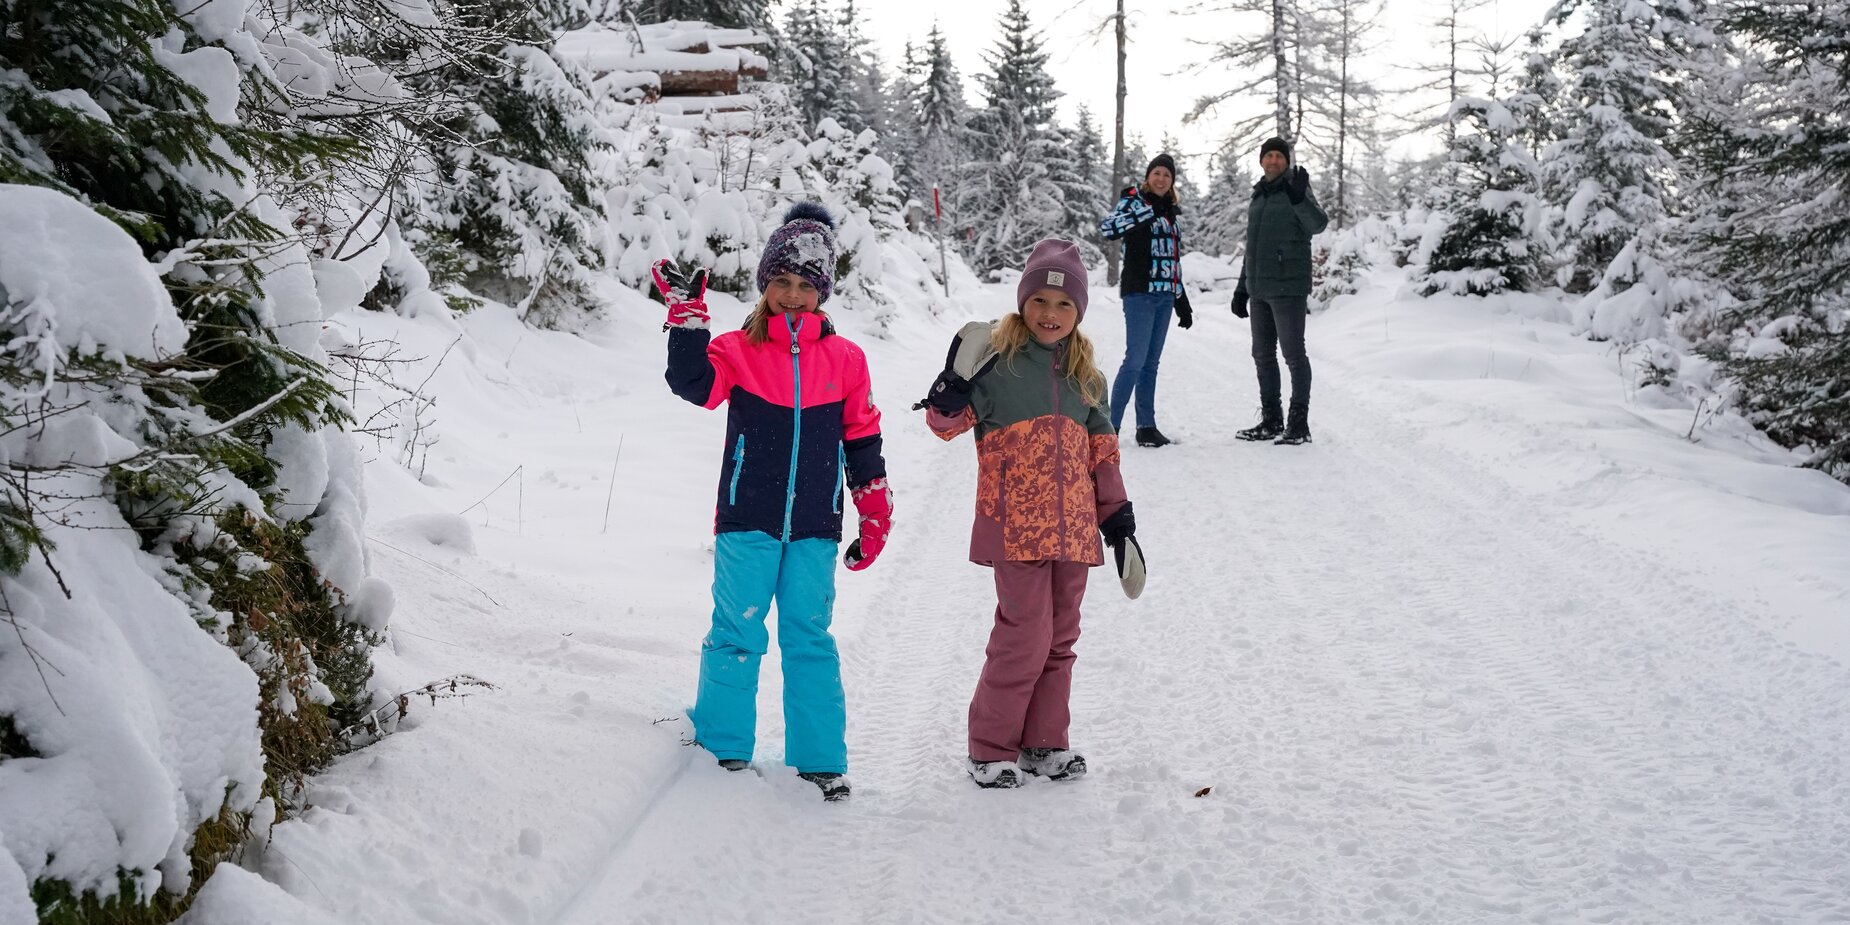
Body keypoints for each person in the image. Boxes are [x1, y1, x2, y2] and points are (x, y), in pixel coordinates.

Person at [655, 203, 892, 803]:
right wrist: (687, 323)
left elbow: (862, 437)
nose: (792, 295)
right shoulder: (738, 349)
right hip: (747, 519)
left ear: (823, 293)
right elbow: (695, 387)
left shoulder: (845, 361)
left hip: (815, 526)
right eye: (781, 282)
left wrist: (874, 509)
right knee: (735, 631)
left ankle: (818, 760)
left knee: (810, 637)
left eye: (805, 285)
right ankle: (724, 748)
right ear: (765, 286)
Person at [919, 239, 1140, 789]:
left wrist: (1119, 523)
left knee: (1061, 637)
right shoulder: (999, 366)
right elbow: (945, 427)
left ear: (1080, 312)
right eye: (1040, 300)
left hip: (1076, 530)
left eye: (1065, 304)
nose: (1051, 313)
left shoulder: (1088, 377)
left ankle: (1043, 743)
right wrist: (948, 394)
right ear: (1023, 303)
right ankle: (991, 747)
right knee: (1024, 634)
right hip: (1014, 526)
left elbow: (1103, 455)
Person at [1231, 137, 1329, 445]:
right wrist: (1241, 287)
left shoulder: (1294, 189)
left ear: (1286, 161)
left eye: (1278, 156)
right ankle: (1272, 421)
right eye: (1268, 155)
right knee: (1262, 355)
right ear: (1261, 161)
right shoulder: (1259, 195)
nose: (1273, 160)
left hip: (1288, 287)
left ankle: (1299, 424)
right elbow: (1253, 246)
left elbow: (1318, 225)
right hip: (1259, 288)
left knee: (1293, 355)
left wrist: (1299, 198)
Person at [1099, 153, 1193, 448]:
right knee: (1135, 360)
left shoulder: (1171, 211)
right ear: (1148, 176)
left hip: (1165, 295)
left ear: (1172, 180)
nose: (1162, 179)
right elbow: (1108, 229)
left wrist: (1182, 299)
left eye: (1167, 175)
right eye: (1157, 173)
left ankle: (1146, 426)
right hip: (1139, 292)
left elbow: (1172, 258)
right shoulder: (1134, 201)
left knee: (1151, 363)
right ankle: (1108, 428)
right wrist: (1150, 212)